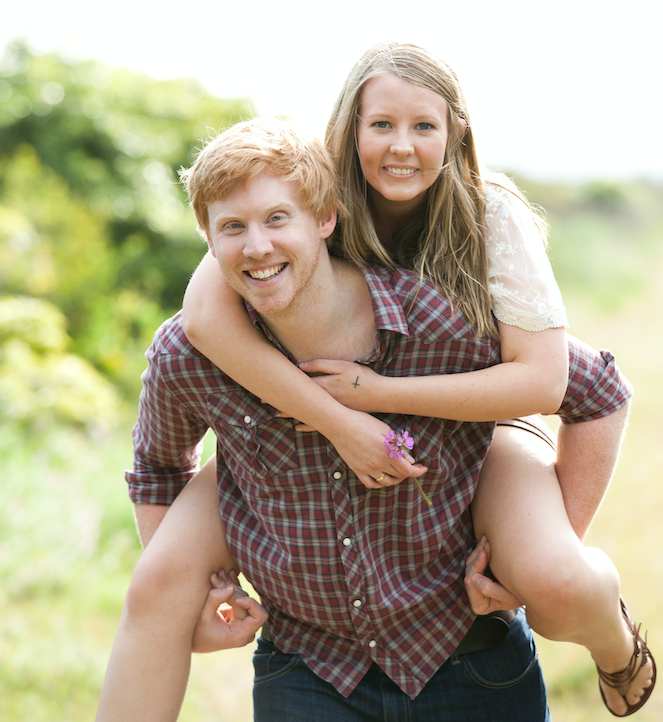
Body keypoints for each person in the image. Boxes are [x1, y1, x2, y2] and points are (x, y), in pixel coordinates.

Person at [180, 43, 655, 717]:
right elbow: (202, 314)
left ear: (455, 132)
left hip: (488, 423)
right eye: (381, 126)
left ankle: (615, 644)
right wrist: (338, 418)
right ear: (347, 129)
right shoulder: (310, 200)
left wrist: (374, 397)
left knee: (552, 579)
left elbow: (545, 383)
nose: (400, 147)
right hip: (362, 432)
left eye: (422, 127)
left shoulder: (490, 216)